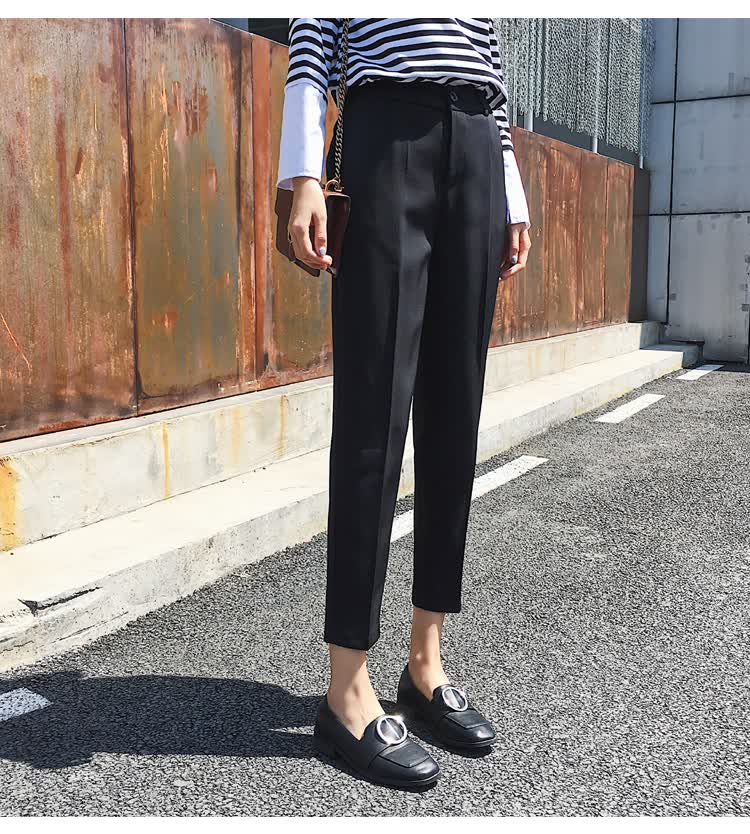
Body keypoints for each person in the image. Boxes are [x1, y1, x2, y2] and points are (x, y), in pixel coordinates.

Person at [277, 17, 531, 789]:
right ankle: (346, 688)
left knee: (456, 412)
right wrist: (303, 174)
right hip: (386, 134)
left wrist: (509, 190)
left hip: (476, 143)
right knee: (373, 411)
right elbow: (313, 36)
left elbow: (490, 67)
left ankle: (425, 664)